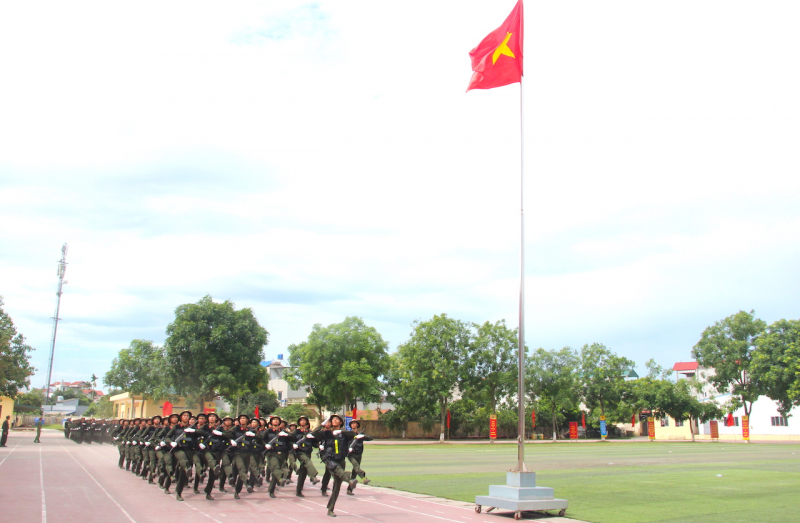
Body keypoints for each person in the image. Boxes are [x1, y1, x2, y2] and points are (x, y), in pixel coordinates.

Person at [312, 415, 359, 517]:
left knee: (337, 487)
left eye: (337, 419)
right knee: (338, 470)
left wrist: (340, 432)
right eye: (333, 419)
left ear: (341, 422)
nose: (334, 420)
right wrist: (322, 424)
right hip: (330, 460)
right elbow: (313, 434)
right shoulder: (326, 433)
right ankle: (349, 480)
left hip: (341, 460)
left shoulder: (344, 433)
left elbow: (353, 434)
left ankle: (330, 508)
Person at [346, 419, 372, 494]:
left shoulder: (360, 434)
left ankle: (349, 489)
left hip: (358, 454)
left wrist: (362, 436)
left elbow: (370, 438)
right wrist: (348, 448)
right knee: (356, 465)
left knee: (354, 472)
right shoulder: (348, 434)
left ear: (357, 425)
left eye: (354, 423)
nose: (353, 425)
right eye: (352, 424)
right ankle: (363, 478)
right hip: (351, 454)